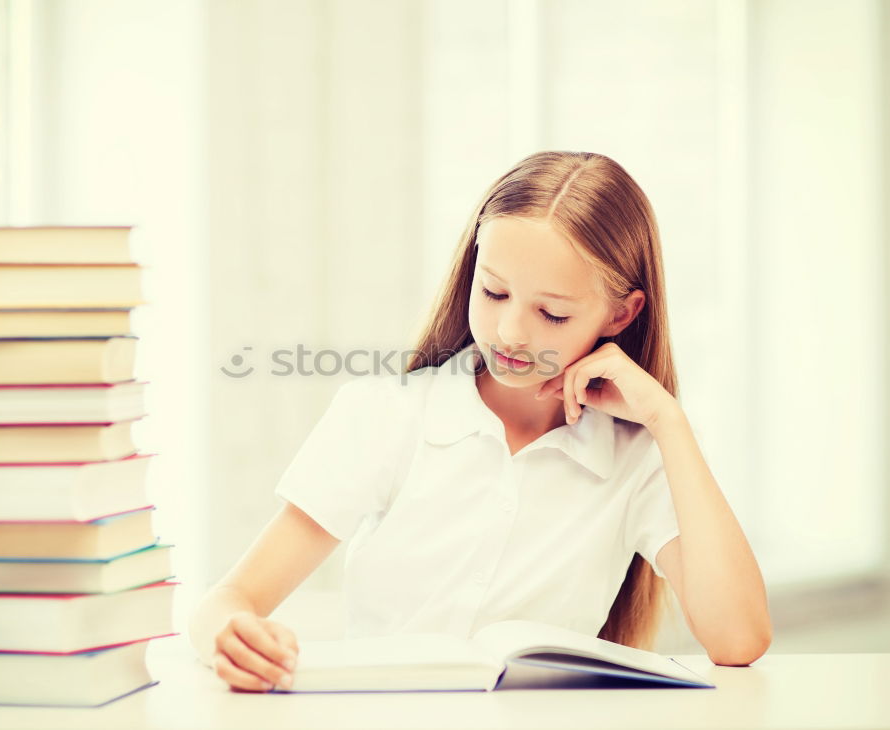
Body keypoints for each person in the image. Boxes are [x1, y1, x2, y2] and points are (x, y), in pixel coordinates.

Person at [188, 150, 772, 693]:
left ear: (621, 314)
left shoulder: (636, 455)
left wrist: (668, 420)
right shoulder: (390, 413)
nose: (511, 332)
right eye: (493, 292)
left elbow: (738, 640)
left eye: (551, 312)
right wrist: (228, 634)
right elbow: (231, 598)